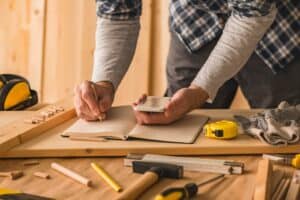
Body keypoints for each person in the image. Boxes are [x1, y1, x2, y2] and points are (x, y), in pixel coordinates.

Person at [74, 0, 300, 125]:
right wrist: (105, 80)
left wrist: (199, 90)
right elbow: (118, 12)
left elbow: (252, 15)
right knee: (176, 123)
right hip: (195, 19)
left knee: (284, 128)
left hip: (277, 26)